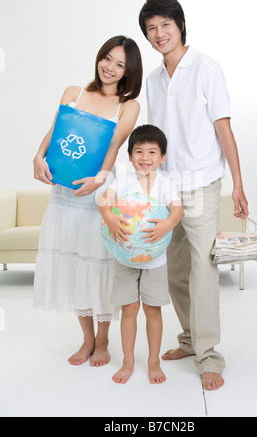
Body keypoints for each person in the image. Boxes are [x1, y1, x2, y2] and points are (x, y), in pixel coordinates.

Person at [139, 0, 249, 391]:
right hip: (167, 189)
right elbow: (155, 141)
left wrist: (237, 183)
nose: (159, 33)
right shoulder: (152, 80)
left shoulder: (206, 68)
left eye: (165, 24)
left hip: (202, 185)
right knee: (176, 271)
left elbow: (224, 129)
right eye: (151, 28)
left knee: (203, 269)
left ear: (180, 25)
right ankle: (189, 339)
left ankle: (209, 355)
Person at [33, 36, 142, 367]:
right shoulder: (73, 93)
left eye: (119, 64)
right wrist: (38, 156)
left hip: (96, 193)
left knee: (98, 266)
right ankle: (86, 339)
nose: (109, 67)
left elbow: (113, 148)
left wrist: (101, 177)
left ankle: (104, 340)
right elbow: (54, 132)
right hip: (64, 194)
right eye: (106, 59)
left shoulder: (128, 106)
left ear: (128, 71)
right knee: (73, 264)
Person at [97, 125, 183, 384]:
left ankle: (153, 362)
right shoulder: (122, 182)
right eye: (139, 151)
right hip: (125, 258)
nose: (145, 157)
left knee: (152, 310)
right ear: (130, 155)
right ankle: (128, 361)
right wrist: (109, 217)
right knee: (129, 308)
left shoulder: (166, 184)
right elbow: (104, 200)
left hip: (156, 261)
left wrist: (168, 224)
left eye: (152, 152)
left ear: (162, 157)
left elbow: (177, 210)